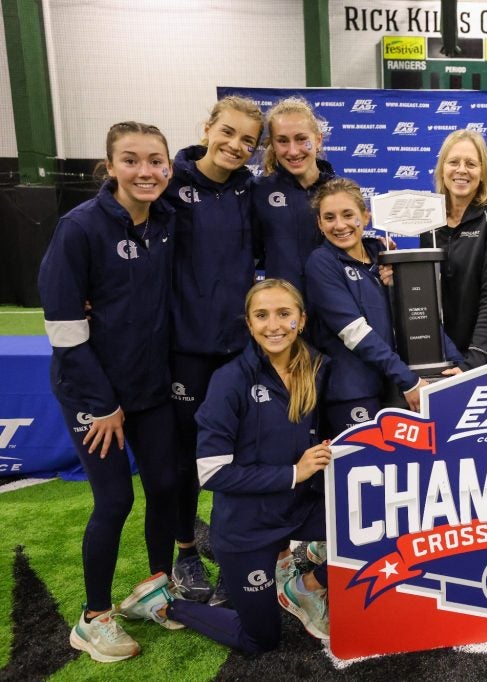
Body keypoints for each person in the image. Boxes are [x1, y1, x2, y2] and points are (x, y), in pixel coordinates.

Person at [116, 279, 333, 652]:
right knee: (260, 639)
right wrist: (295, 472)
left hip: (299, 510)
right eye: (261, 316)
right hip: (248, 528)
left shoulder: (316, 366)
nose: (274, 325)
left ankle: (304, 586)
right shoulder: (230, 380)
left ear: (302, 319)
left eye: (284, 314)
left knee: (379, 530)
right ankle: (164, 604)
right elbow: (212, 473)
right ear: (249, 324)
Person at [38, 121, 179, 662]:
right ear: (109, 166)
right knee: (115, 499)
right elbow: (65, 330)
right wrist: (102, 405)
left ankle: (154, 591)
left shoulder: (168, 219)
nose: (145, 171)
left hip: (151, 388)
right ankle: (93, 617)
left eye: (155, 160)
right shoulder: (80, 228)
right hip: (92, 395)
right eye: (131, 160)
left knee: (166, 485)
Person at [164, 95, 264, 602]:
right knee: (186, 459)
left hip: (237, 352)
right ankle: (185, 553)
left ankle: (230, 552)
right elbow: (118, 213)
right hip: (184, 351)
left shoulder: (251, 190)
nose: (235, 145)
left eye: (248, 140)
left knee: (237, 457)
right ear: (207, 128)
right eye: (228, 132)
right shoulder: (170, 184)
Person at [305, 178, 462, 435]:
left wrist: (455, 361)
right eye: (329, 217)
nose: (340, 225)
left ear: (365, 217)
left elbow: (416, 315)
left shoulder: (383, 256)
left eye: (348, 215)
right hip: (354, 393)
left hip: (395, 387)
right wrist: (409, 381)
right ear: (320, 224)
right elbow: (355, 334)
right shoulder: (321, 263)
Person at [416, 128, 487, 370]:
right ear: (442, 169)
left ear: (482, 172)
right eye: (453, 162)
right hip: (440, 356)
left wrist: (472, 363)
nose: (461, 170)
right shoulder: (429, 221)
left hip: (483, 359)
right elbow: (425, 295)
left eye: (471, 163)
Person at [252, 96, 335, 297]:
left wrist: (375, 248)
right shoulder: (257, 192)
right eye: (282, 141)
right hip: (283, 313)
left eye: (301, 139)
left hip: (334, 312)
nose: (293, 151)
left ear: (318, 139)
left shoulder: (339, 191)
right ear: (272, 144)